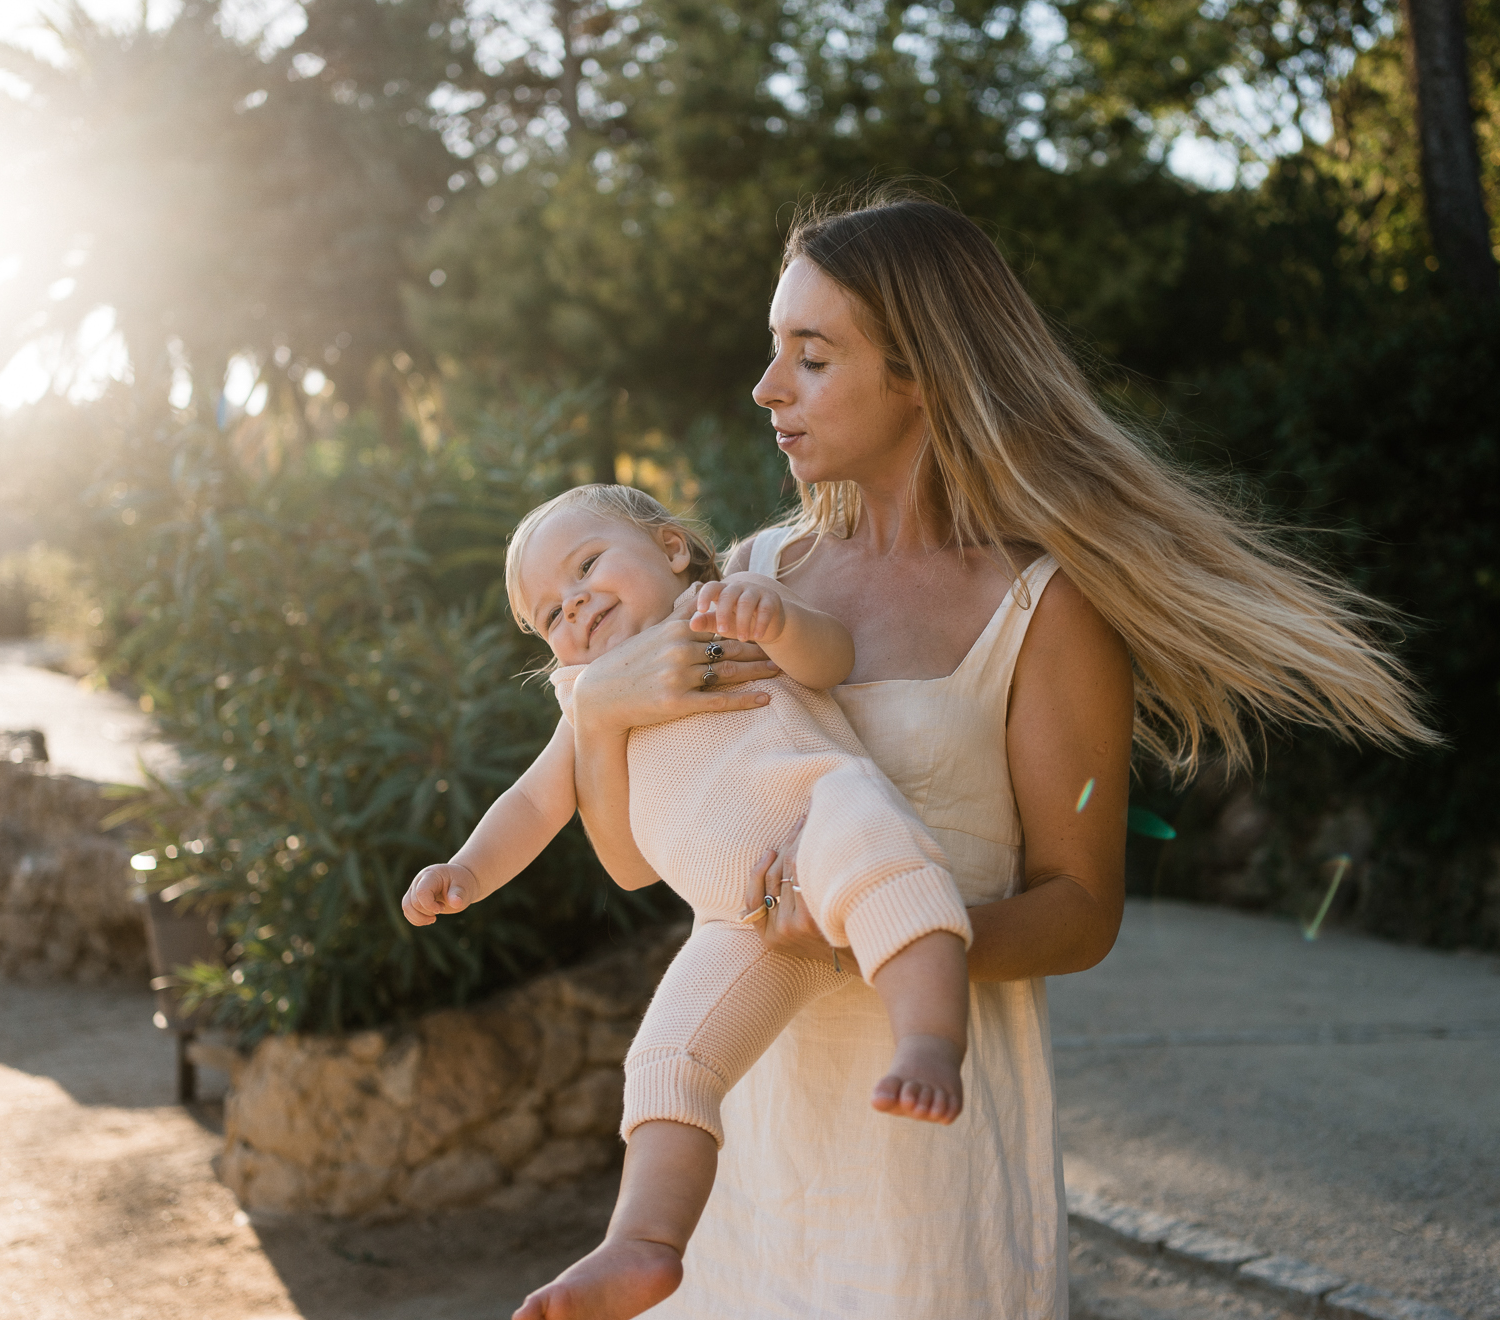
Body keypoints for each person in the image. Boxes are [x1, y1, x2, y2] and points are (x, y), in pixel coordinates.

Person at [543, 188, 1438, 1319]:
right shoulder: (747, 578)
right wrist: (602, 712)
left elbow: (1079, 908)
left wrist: (879, 933)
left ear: (919, 372)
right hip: (747, 1140)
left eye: (809, 357)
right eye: (774, 352)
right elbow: (632, 863)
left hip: (929, 1162)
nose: (767, 388)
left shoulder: (1044, 608)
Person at [402, 483, 979, 1319]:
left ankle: (928, 1039)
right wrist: (465, 869)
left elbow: (832, 659)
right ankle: (644, 1243)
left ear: (671, 549)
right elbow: (532, 805)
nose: (575, 606)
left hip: (817, 827)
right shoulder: (587, 699)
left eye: (588, 566)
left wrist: (776, 620)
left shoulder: (725, 612)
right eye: (549, 614)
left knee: (874, 834)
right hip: (735, 928)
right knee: (666, 1061)